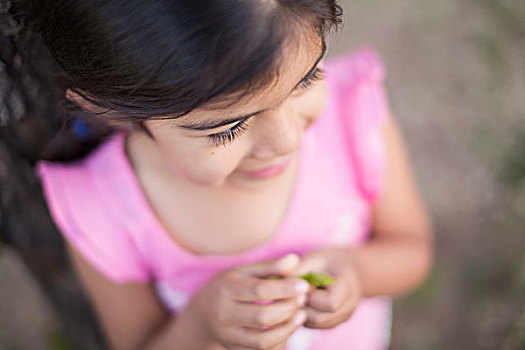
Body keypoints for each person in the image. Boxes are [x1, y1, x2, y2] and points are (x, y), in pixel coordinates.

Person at [26, 0, 434, 349]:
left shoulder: (351, 112)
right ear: (110, 111)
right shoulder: (102, 210)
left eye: (307, 79)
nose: (286, 141)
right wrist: (202, 322)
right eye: (229, 128)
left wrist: (355, 272)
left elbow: (412, 250)